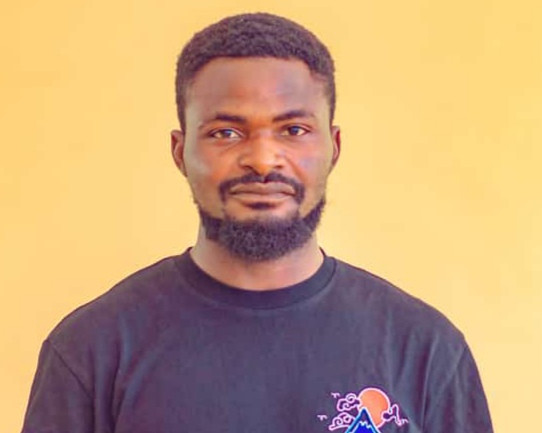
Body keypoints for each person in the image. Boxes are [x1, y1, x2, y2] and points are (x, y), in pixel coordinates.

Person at [21, 13, 493, 433]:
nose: (264, 159)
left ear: (333, 147)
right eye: (226, 132)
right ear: (180, 152)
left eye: (294, 130)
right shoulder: (91, 350)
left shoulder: (426, 350)